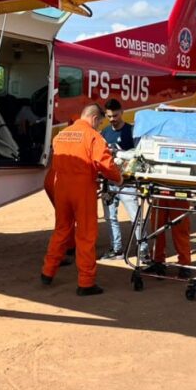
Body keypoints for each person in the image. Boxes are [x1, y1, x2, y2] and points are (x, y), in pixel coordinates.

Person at [41, 103, 122, 295]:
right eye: (100, 122)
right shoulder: (93, 136)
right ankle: (86, 282)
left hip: (61, 187)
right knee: (86, 234)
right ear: (94, 118)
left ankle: (48, 271)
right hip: (82, 189)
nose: (99, 126)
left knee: (61, 229)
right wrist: (118, 178)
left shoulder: (61, 135)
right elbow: (105, 163)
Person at [99, 99, 145, 260]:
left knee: (135, 217)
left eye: (115, 115)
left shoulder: (132, 131)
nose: (113, 119)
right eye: (109, 116)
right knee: (110, 217)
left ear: (122, 112)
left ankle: (143, 249)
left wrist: (119, 154)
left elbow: (139, 154)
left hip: (128, 183)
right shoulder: (104, 132)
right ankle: (116, 249)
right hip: (109, 183)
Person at [146, 197, 193, 279]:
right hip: (159, 192)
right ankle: (157, 261)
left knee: (181, 230)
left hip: (179, 192)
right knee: (157, 229)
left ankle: (184, 264)